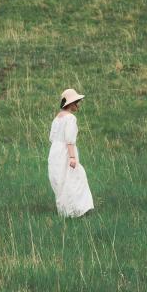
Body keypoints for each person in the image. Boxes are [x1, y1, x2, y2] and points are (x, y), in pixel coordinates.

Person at [48, 88, 94, 217]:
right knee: (74, 178)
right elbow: (69, 140)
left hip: (55, 152)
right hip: (65, 152)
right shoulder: (70, 118)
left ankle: (65, 211)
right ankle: (75, 211)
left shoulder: (57, 118)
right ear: (70, 103)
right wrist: (72, 157)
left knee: (61, 180)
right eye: (76, 102)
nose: (77, 105)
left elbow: (52, 138)